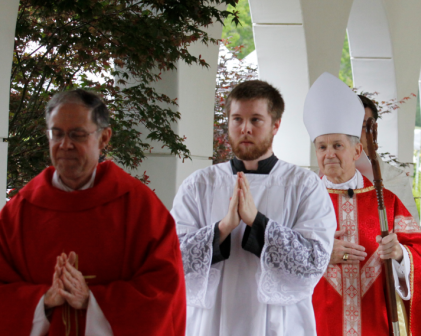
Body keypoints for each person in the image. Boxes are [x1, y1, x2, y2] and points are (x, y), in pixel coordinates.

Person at [0, 89, 186, 335]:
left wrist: (93, 301)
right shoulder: (19, 212)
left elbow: (164, 291)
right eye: (56, 134)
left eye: (77, 134)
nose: (65, 145)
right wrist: (42, 300)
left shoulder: (140, 207)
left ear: (104, 138)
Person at [171, 80, 337, 336]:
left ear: (276, 125)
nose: (245, 128)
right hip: (212, 322)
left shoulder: (304, 185)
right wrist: (223, 229)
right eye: (237, 119)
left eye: (256, 120)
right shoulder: (199, 184)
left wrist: (258, 223)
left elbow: (315, 261)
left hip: (279, 323)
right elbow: (172, 258)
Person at [305, 72, 421, 336]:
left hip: (375, 322)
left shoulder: (386, 201)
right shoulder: (302, 203)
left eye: (337, 145)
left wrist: (400, 253)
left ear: (357, 151)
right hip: (317, 323)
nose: (329, 154)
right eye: (322, 147)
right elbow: (278, 258)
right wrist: (321, 254)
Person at [357, 95, 420, 224]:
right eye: (348, 128)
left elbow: (412, 236)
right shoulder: (321, 181)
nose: (355, 135)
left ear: (374, 130)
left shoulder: (395, 178)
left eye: (363, 127)